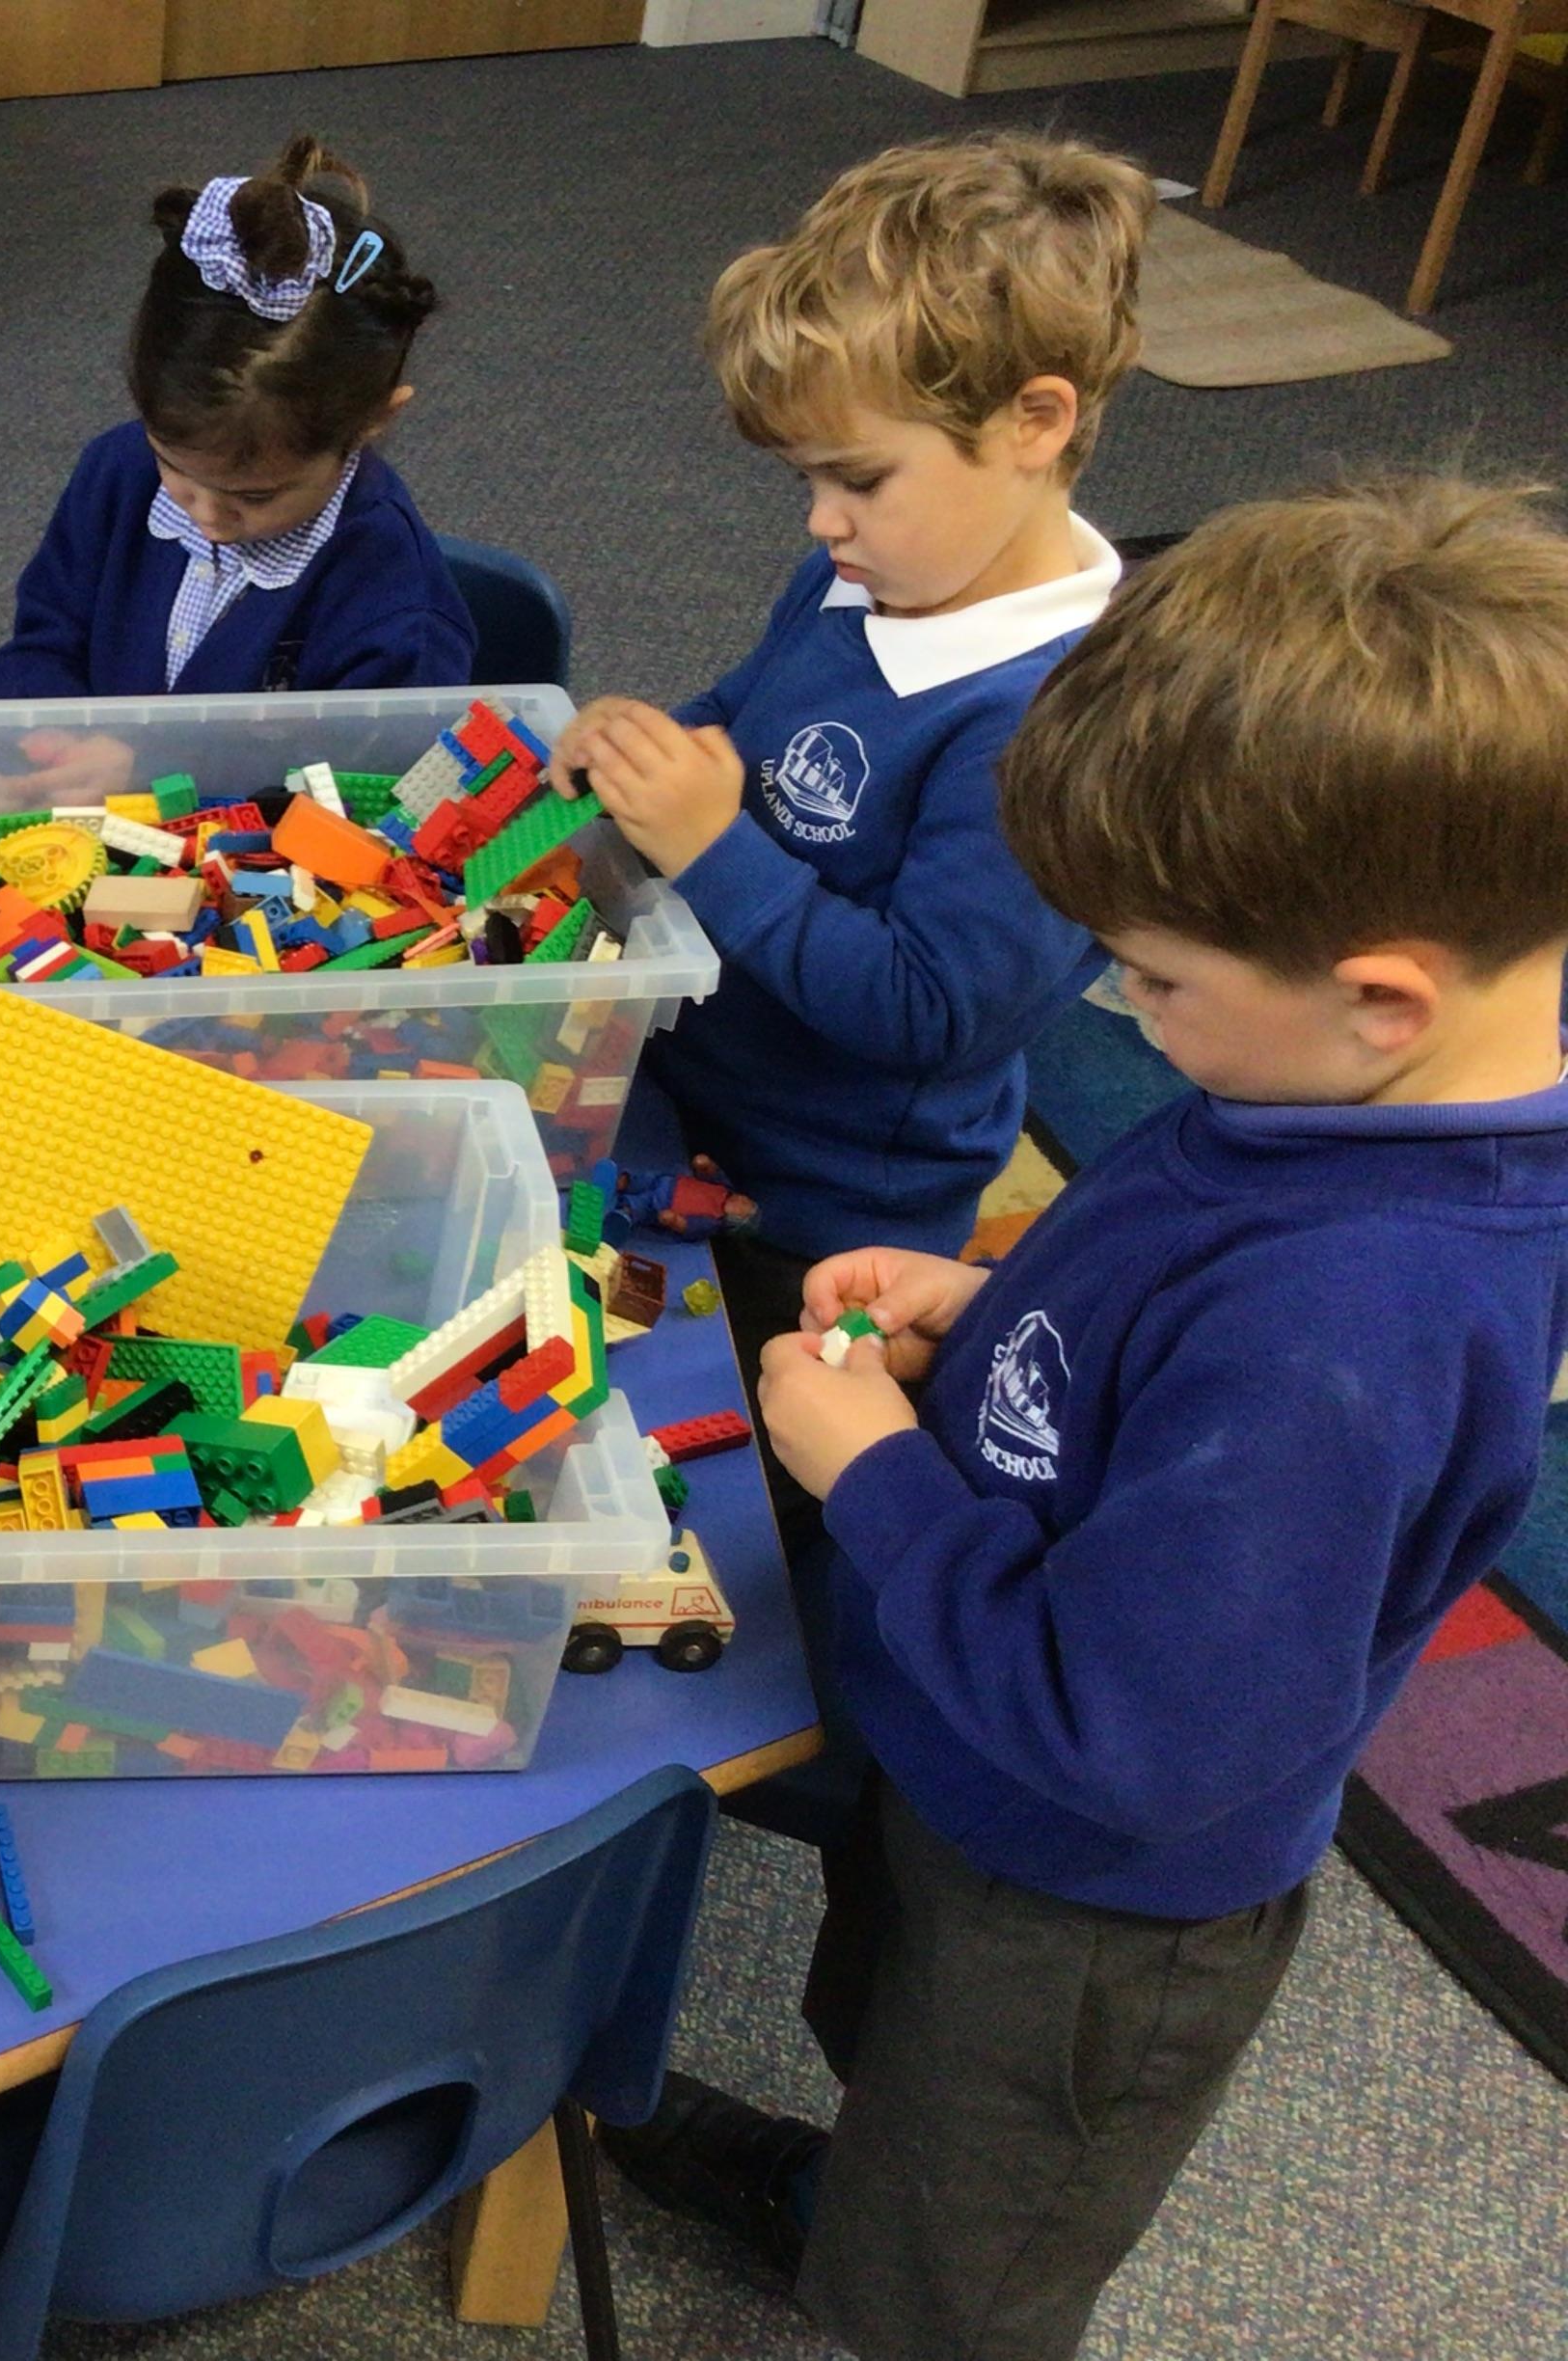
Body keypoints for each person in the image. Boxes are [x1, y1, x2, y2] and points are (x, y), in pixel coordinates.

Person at [605, 477, 1568, 2361]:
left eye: (1153, 979)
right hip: (972, 1768)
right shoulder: (1338, 1094)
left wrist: (878, 1473)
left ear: (1377, 998)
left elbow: (1130, 1733)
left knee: (965, 2255)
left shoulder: (1350, 1316)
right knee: (897, 2064)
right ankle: (848, 2203)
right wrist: (997, 1316)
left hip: (1081, 1899)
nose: (1121, 1005)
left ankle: (888, 2280)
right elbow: (1185, 1321)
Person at [554, 133, 1153, 1413]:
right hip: (688, 1086)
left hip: (827, 1207)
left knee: (749, 1441)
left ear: (1035, 422)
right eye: (809, 478)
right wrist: (646, 740)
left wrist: (712, 846)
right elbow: (750, 716)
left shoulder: (1051, 724)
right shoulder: (866, 570)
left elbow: (933, 1011)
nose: (821, 518)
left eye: (860, 478)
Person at [0, 134, 471, 800]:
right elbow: (44, 638)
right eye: (175, 470)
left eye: (257, 496)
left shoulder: (396, 602)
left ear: (372, 422)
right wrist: (53, 735)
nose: (209, 518)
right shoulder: (117, 470)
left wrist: (153, 768)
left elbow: (378, 789)